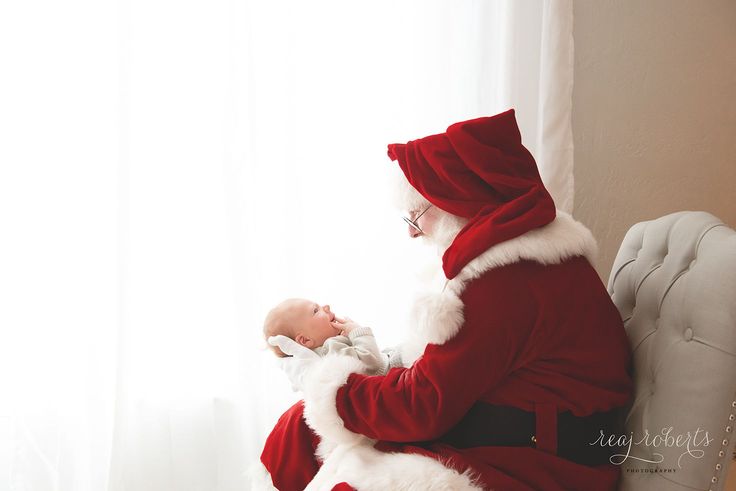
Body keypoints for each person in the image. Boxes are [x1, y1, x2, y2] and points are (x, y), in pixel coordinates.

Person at [250, 109, 633, 491]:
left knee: (342, 468)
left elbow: (422, 406)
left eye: (416, 217)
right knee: (298, 430)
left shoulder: (504, 280)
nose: (414, 235)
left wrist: (327, 383)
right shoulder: (517, 262)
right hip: (493, 425)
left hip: (533, 461)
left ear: (457, 200)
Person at [263, 298, 399, 377]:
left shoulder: (332, 347)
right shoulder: (330, 350)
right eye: (315, 310)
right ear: (305, 340)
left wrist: (347, 339)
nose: (326, 306)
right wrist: (357, 332)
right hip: (393, 371)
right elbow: (373, 364)